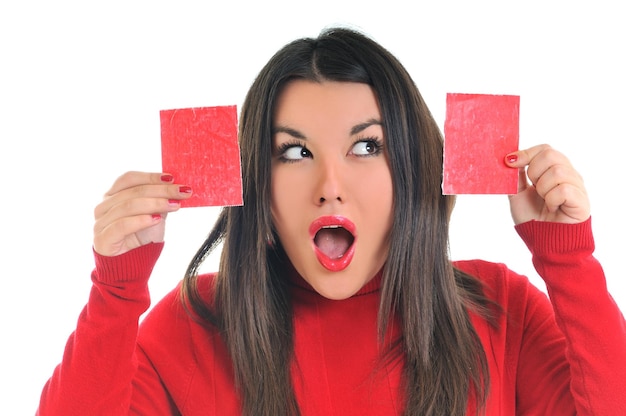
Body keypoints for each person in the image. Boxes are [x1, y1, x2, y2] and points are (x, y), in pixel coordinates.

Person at [37, 27, 625, 416]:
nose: (330, 187)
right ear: (256, 190)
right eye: (293, 152)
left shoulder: (501, 311)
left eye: (367, 147)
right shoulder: (190, 326)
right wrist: (114, 291)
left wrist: (567, 258)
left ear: (414, 169)